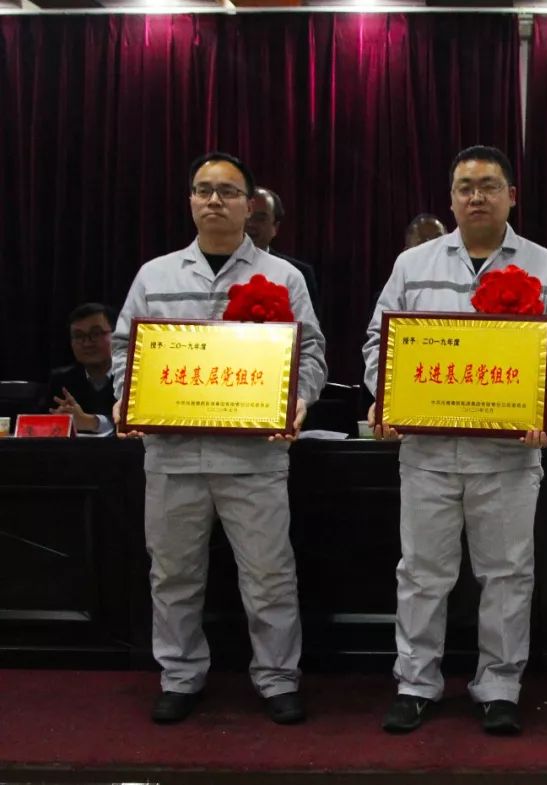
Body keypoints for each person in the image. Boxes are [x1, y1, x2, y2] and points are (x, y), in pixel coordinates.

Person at [364, 145, 547, 736]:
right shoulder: (412, 265)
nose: (477, 196)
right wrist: (387, 395)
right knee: (421, 573)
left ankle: (500, 687)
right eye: (465, 187)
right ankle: (416, 683)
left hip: (509, 456)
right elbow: (378, 343)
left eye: (489, 186)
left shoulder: (546, 268)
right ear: (451, 198)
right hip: (429, 454)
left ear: (512, 195)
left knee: (507, 575)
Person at [111, 151, 327, 725]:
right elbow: (124, 349)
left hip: (253, 457)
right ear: (189, 201)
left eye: (228, 191)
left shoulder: (282, 277)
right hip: (173, 454)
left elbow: (311, 352)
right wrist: (125, 393)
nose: (214, 200)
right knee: (174, 574)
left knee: (269, 574)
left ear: (249, 205)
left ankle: (278, 678)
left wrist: (298, 400)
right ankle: (180, 675)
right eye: (203, 189)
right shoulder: (155, 276)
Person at [245, 186, 321, 315]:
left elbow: (307, 326)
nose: (250, 224)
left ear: (275, 227)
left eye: (260, 218)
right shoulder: (218, 267)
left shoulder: (298, 273)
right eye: (246, 217)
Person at [48, 302, 117, 435]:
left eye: (96, 334)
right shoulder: (61, 380)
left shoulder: (135, 377)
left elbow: (140, 426)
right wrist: (58, 420)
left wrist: (93, 422)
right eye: (79, 336)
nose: (87, 343)